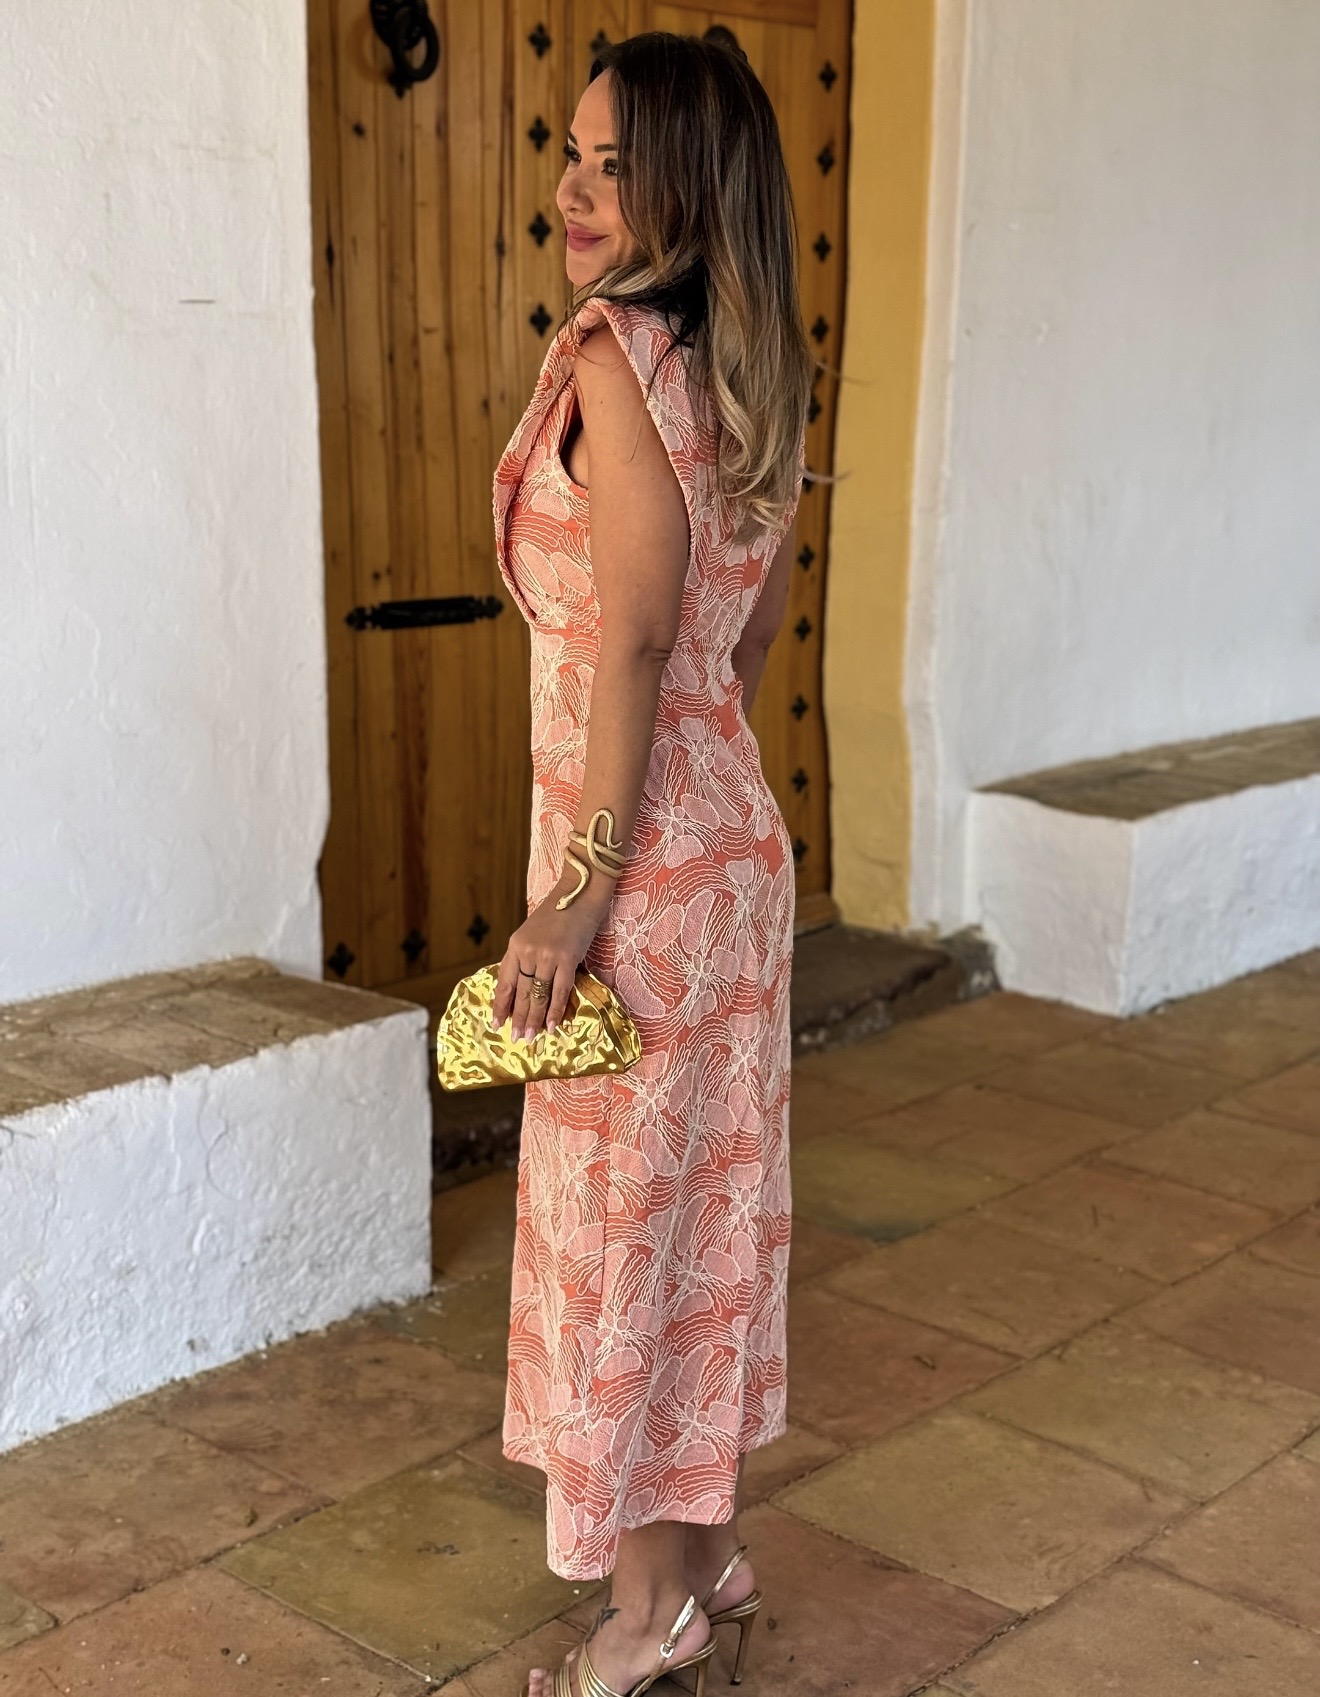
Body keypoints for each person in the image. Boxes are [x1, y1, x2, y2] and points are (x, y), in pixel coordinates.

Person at [489, 29, 811, 1697]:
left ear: (689, 187)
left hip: (637, 874)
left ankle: (648, 1612)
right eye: (572, 152)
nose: (577, 188)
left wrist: (582, 884)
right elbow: (736, 648)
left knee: (627, 1239)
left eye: (617, 165)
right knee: (699, 1231)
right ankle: (705, 1548)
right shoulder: (754, 368)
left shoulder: (618, 363)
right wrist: (674, 824)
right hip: (731, 854)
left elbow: (629, 640)